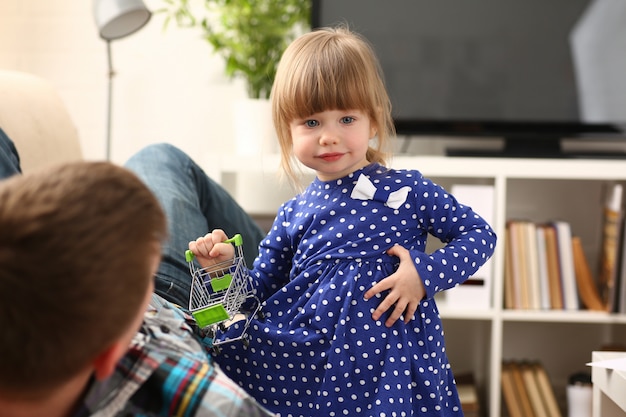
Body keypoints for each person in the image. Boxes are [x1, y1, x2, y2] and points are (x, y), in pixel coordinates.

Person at [188, 27, 497, 416]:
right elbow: (257, 295)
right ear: (288, 129)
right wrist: (222, 269)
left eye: (346, 118)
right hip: (312, 369)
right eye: (311, 123)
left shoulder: (410, 191)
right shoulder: (293, 214)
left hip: (396, 369)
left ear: (374, 120)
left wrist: (424, 274)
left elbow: (479, 234)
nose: (329, 137)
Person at [0, 127, 272, 417]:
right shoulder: (215, 404)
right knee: (162, 156)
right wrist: (228, 278)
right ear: (111, 357)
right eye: (145, 282)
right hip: (191, 318)